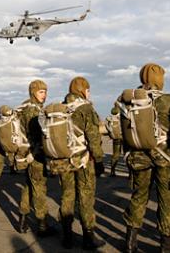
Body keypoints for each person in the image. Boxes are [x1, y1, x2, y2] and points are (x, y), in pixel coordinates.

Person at [120, 64, 170, 253]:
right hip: (164, 158)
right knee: (166, 200)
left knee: (138, 196)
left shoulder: (130, 100)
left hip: (138, 157)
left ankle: (130, 242)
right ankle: (166, 246)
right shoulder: (169, 100)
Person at [48, 76, 104, 250]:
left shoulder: (61, 108)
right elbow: (93, 137)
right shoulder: (85, 108)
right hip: (83, 161)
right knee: (85, 197)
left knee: (67, 196)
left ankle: (67, 237)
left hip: (63, 160)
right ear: (82, 90)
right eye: (88, 89)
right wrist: (99, 159)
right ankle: (88, 238)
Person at [16, 80, 56, 236]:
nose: (44, 95)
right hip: (35, 154)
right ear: (33, 92)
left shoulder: (24, 107)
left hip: (26, 155)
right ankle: (42, 225)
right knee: (39, 189)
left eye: (45, 92)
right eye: (41, 92)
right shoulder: (33, 111)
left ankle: (23, 221)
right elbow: (37, 135)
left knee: (28, 187)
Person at [106, 106, 123, 177]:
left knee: (115, 155)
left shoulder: (110, 119)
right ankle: (131, 174)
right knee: (127, 155)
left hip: (115, 138)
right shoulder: (121, 118)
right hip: (123, 138)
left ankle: (112, 171)